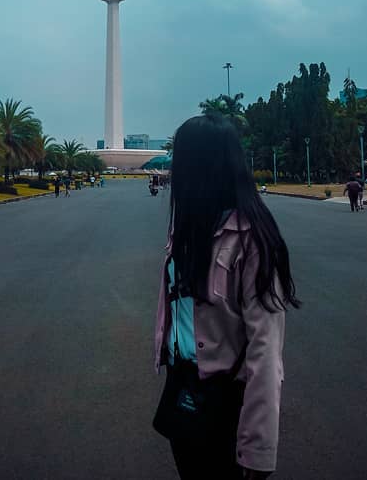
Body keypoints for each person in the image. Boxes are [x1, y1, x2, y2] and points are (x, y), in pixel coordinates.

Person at [153, 114, 299, 479]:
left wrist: (258, 448)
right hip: (183, 387)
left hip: (226, 401)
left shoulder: (252, 240)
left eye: (180, 160)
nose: (173, 171)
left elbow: (265, 349)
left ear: (200, 167)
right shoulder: (186, 225)